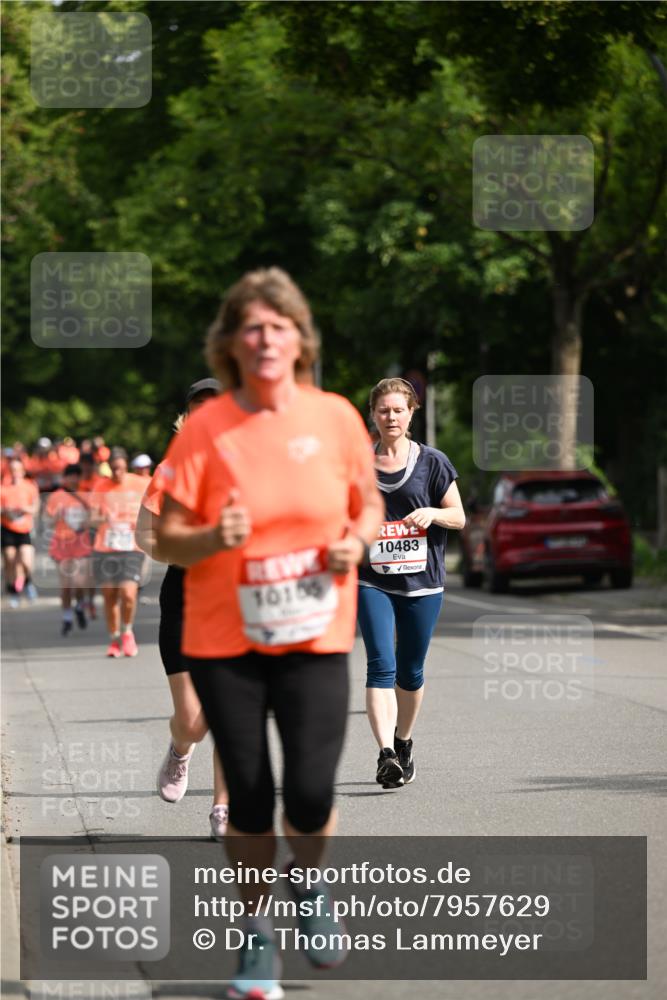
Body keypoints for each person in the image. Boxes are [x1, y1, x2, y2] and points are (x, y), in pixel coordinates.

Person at [156, 267, 383, 1000]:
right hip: (225, 640)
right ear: (230, 343)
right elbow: (165, 536)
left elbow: (367, 504)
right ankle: (255, 937)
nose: (264, 339)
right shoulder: (205, 429)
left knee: (310, 793)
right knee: (250, 798)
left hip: (315, 634)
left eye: (277, 326)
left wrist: (355, 540)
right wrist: (208, 539)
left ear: (299, 339)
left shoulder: (336, 418)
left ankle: (307, 885)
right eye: (250, 327)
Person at [357, 377, 465, 789]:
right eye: (383, 410)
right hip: (372, 581)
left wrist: (432, 514)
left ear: (412, 412)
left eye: (398, 410)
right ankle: (386, 754)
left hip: (422, 583)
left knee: (410, 670)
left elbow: (458, 517)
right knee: (380, 664)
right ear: (373, 415)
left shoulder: (433, 462)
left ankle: (403, 741)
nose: (391, 417)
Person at [135, 377, 230, 840]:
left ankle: (224, 808)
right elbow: (144, 535)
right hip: (185, 597)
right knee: (193, 719)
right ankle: (180, 748)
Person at [91, 447, 147, 657]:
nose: (117, 473)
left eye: (121, 468)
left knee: (128, 593)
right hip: (106, 547)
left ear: (127, 467)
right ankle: (114, 638)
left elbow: (154, 508)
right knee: (110, 595)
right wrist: (105, 518)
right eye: (114, 469)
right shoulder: (101, 486)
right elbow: (91, 519)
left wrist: (141, 523)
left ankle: (127, 632)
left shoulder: (140, 484)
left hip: (132, 547)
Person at [44, 464, 92, 634]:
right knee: (66, 586)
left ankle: (79, 606)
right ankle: (67, 618)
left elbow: (96, 517)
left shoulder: (86, 494)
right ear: (65, 477)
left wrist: (87, 522)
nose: (73, 479)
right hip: (61, 544)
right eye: (70, 475)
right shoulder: (56, 496)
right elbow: (48, 521)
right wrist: (56, 517)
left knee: (79, 583)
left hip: (81, 543)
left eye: (76, 475)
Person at [1, 457, 40, 606]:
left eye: (17, 469)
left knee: (26, 560)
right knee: (10, 559)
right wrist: (6, 511)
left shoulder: (30, 486)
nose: (15, 472)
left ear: (23, 471)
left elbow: (35, 508)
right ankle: (13, 592)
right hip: (7, 528)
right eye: (12, 470)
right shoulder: (3, 488)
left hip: (24, 529)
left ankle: (28, 581)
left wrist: (25, 509)